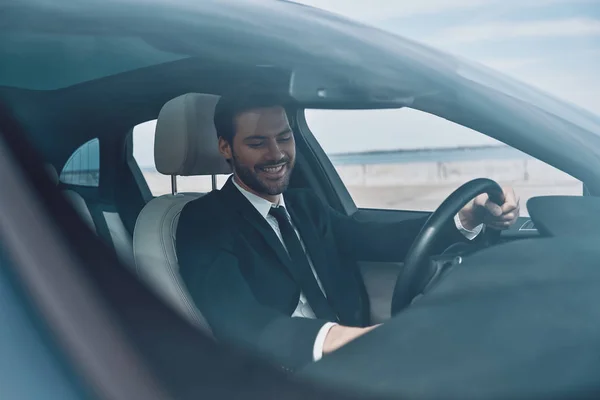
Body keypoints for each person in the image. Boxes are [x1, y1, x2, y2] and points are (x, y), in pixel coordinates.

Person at [176, 92, 520, 370]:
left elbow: (374, 237)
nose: (277, 153)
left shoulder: (304, 205)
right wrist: (345, 340)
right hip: (286, 372)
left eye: (284, 137)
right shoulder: (203, 220)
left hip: (353, 358)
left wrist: (465, 218)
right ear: (225, 147)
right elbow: (238, 320)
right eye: (257, 143)